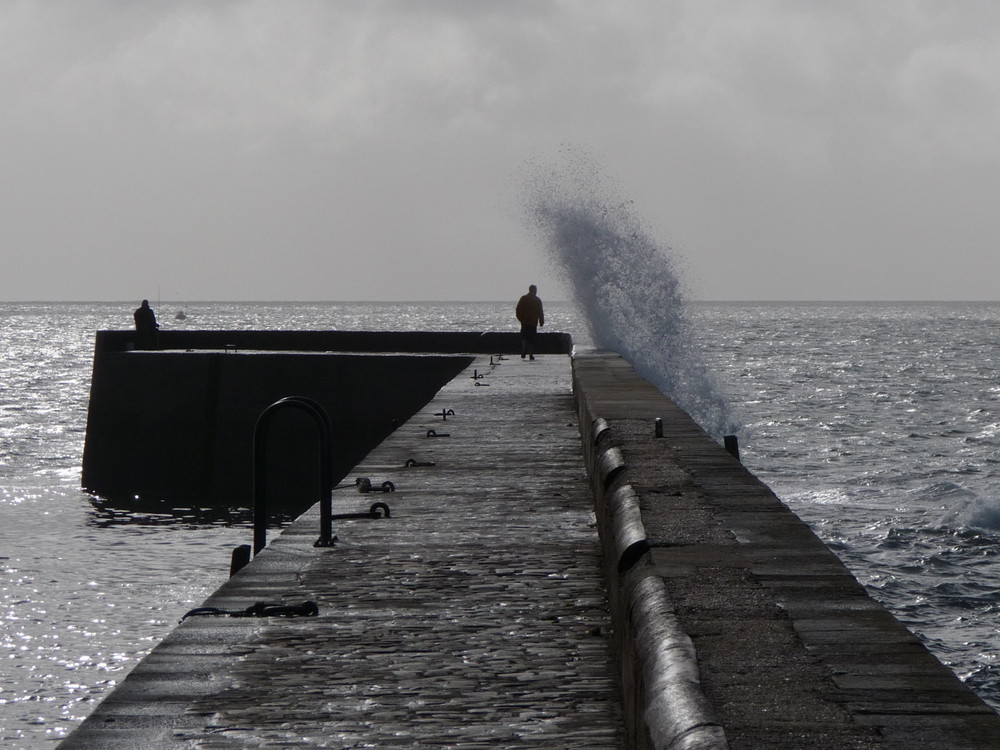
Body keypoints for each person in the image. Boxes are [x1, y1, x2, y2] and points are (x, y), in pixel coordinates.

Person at [515, 284, 544, 360]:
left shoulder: (524, 298)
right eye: (535, 290)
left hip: (525, 322)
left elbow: (518, 310)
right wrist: (541, 321)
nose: (536, 292)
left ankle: (524, 349)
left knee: (524, 337)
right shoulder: (537, 300)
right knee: (532, 339)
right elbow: (540, 311)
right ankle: (531, 354)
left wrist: (520, 319)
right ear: (533, 290)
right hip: (533, 322)